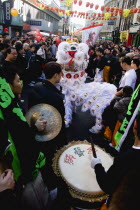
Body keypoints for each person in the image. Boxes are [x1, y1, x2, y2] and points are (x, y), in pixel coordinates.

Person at [0, 66, 48, 210]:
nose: (21, 82)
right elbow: (20, 137)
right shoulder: (8, 106)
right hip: (20, 174)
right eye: (18, 80)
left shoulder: (10, 104)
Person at [28, 61, 68, 191]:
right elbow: (59, 120)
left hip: (36, 130)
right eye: (60, 74)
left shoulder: (36, 87)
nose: (61, 76)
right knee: (51, 159)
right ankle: (52, 186)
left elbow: (31, 111)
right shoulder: (55, 96)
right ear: (56, 75)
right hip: (52, 134)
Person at [91, 110, 140, 206]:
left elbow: (107, 185)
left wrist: (97, 165)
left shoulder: (126, 160)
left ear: (135, 126)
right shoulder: (126, 157)